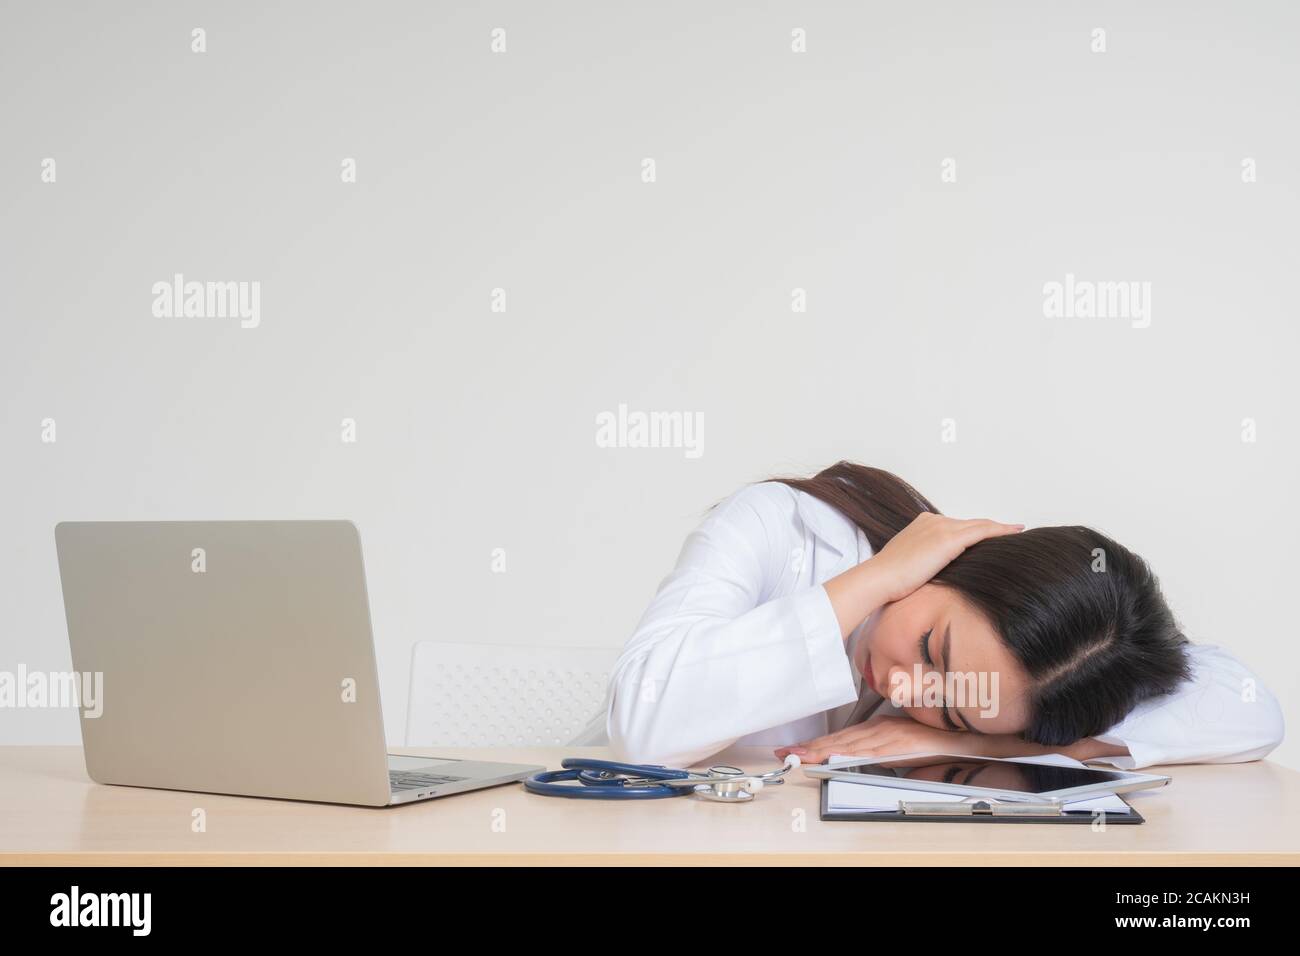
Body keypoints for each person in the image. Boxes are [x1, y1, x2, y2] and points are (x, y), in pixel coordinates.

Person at [604, 461, 1284, 768]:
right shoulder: (781, 528)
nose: (905, 690)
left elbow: (1251, 710)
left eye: (952, 707)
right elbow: (644, 724)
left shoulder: (998, 703)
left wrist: (972, 744)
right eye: (933, 650)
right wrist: (876, 579)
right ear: (963, 563)